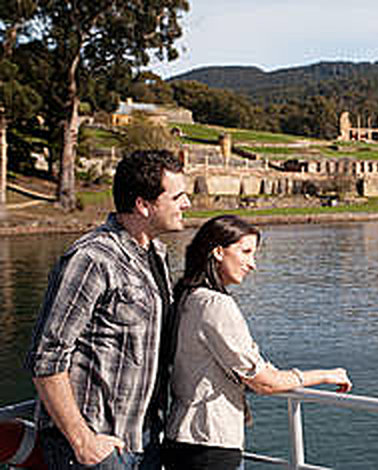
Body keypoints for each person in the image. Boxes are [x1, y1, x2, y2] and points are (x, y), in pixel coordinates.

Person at [25, 149, 191, 470]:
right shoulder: (92, 258)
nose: (187, 204)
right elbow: (46, 357)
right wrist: (83, 441)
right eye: (177, 197)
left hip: (143, 438)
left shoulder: (156, 253)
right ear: (143, 205)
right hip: (97, 446)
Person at [161, 215, 352, 470]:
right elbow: (264, 382)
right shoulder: (216, 305)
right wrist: (326, 375)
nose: (252, 265)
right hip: (210, 444)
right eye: (246, 252)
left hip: (182, 439)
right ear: (218, 252)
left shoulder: (188, 297)